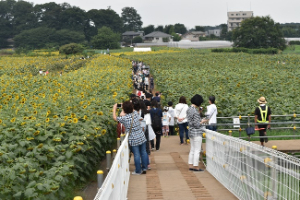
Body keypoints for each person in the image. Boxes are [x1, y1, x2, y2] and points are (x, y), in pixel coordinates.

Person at [113, 101, 148, 175]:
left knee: (136, 154)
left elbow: (115, 117)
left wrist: (114, 108)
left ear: (124, 109)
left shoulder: (124, 118)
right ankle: (145, 167)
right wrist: (128, 105)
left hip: (133, 138)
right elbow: (132, 110)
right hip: (141, 136)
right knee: (144, 152)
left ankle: (138, 171)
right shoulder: (135, 113)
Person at [187, 94, 207, 172]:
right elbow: (196, 124)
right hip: (196, 132)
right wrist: (202, 121)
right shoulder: (195, 111)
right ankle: (196, 166)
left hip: (191, 131)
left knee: (192, 149)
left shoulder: (189, 109)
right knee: (197, 150)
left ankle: (190, 165)